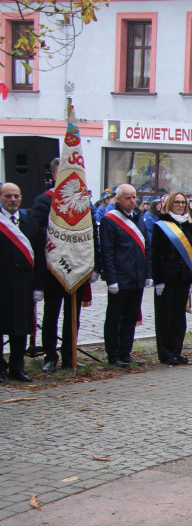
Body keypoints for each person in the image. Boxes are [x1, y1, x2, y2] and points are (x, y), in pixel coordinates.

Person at [30, 157, 97, 372]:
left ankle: (70, 355)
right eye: (62, 173)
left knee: (73, 315)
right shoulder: (43, 201)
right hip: (53, 268)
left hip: (77, 267)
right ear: (53, 175)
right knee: (51, 314)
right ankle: (51, 356)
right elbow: (37, 235)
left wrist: (95, 265)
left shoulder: (82, 202)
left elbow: (91, 235)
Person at [100, 184, 151, 368]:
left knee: (130, 318)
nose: (132, 201)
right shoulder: (109, 220)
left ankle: (125, 352)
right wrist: (111, 279)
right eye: (128, 198)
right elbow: (108, 251)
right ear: (118, 199)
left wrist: (148, 273)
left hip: (136, 277)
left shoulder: (138, 217)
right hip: (120, 278)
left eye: (134, 197)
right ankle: (113, 355)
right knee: (115, 319)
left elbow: (146, 246)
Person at [150, 192, 192, 365]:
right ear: (169, 204)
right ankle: (165, 352)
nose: (180, 205)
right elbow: (155, 254)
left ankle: (177, 350)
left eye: (183, 202)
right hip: (166, 279)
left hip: (184, 278)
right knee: (165, 316)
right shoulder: (161, 225)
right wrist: (158, 280)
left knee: (179, 316)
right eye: (176, 202)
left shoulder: (191, 226)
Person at [0, 182, 40, 382]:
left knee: (21, 328)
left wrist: (38, 286)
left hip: (24, 283)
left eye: (16, 196)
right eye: (7, 196)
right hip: (2, 283)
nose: (12, 200)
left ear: (21, 198)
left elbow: (39, 257)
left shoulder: (29, 222)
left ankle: (17, 367)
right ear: (1, 198)